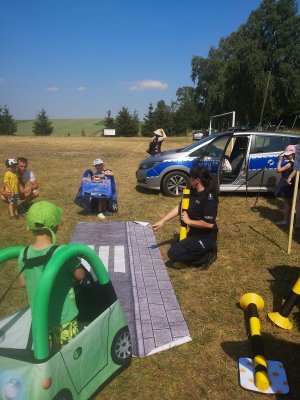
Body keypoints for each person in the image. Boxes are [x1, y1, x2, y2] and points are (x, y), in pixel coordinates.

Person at [17, 200, 85, 351]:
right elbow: (80, 275)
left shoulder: (24, 253)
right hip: (64, 315)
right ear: (57, 225)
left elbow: (22, 282)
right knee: (67, 352)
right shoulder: (61, 252)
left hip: (41, 316)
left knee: (44, 350)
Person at [152, 166, 218, 269]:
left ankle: (206, 257)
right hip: (194, 233)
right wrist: (162, 221)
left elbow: (209, 224)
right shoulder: (192, 191)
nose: (189, 179)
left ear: (197, 180)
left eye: (191, 178)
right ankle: (192, 255)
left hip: (206, 237)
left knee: (173, 253)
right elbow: (180, 207)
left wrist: (188, 221)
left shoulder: (209, 198)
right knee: (177, 247)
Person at [275, 145, 296, 226]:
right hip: (291, 184)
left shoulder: (290, 164)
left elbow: (278, 170)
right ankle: (289, 218)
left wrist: (280, 160)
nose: (286, 156)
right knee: (289, 202)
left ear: (293, 154)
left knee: (287, 202)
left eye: (288, 154)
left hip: (286, 184)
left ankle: (285, 220)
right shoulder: (295, 163)